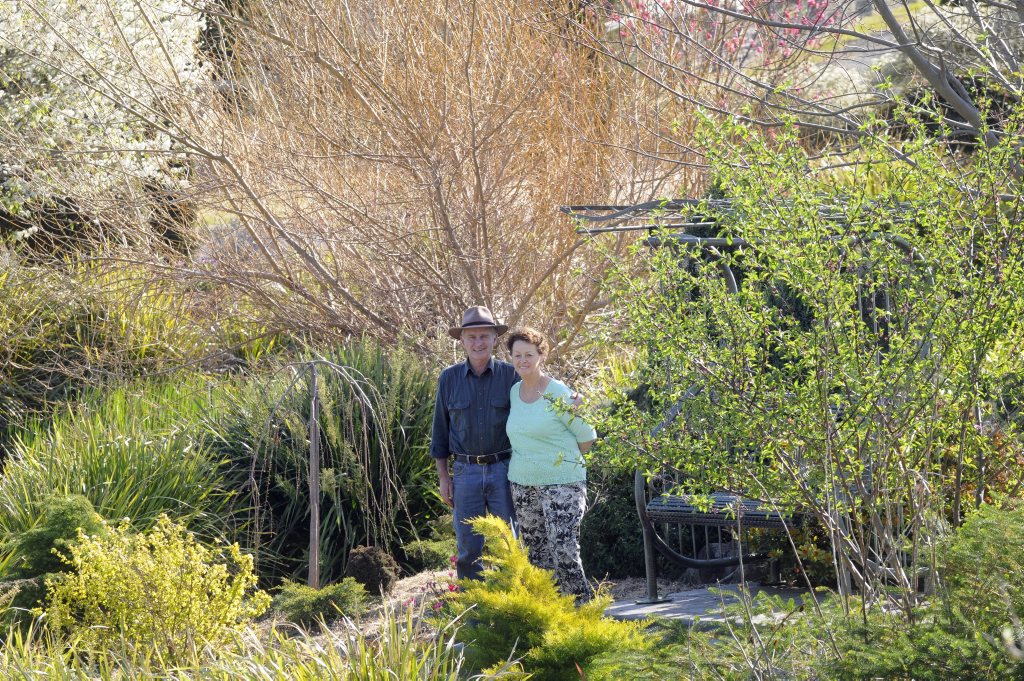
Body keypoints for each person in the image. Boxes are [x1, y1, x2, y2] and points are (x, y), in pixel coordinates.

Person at [505, 327, 597, 602]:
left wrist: (560, 464)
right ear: (510, 357)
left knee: (564, 549)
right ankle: (551, 618)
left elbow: (586, 437)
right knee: (537, 557)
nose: (523, 360)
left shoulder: (558, 392)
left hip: (563, 483)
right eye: (517, 355)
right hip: (523, 485)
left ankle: (584, 613)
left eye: (529, 355)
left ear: (541, 355)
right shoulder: (513, 392)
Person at [430, 306, 518, 580]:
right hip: (465, 473)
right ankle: (474, 610)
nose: (478, 343)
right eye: (472, 337)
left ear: (494, 339)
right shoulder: (449, 379)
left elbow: (538, 400)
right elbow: (440, 431)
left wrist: (570, 400)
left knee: (509, 543)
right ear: (462, 341)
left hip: (504, 469)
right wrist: (444, 477)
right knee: (469, 547)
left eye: (484, 336)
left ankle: (512, 606)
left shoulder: (511, 375)